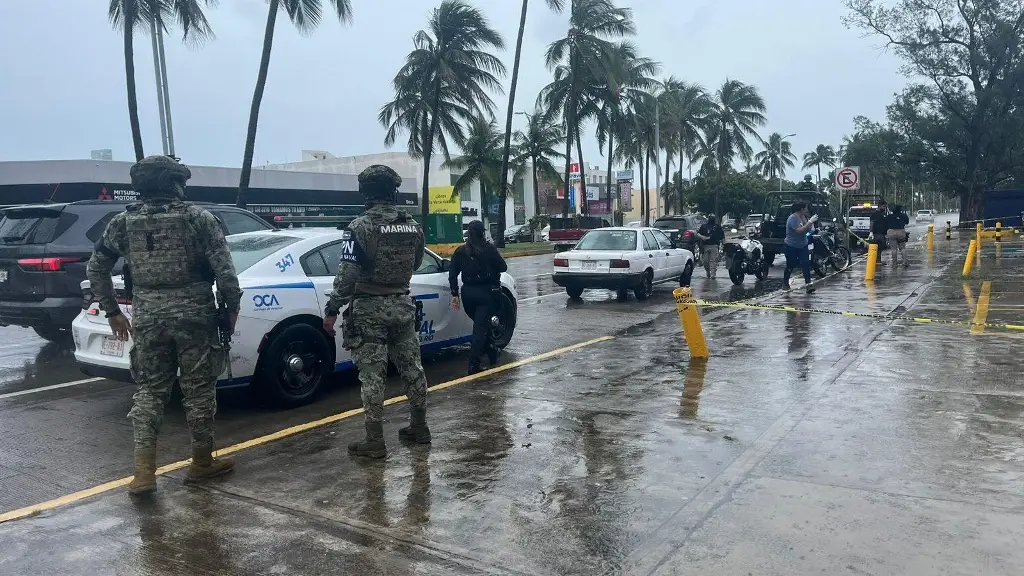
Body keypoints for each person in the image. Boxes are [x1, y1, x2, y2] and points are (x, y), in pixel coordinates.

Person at [86, 155, 242, 496]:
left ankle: (143, 473)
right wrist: (232, 309)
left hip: (148, 317)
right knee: (198, 391)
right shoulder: (199, 219)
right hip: (195, 316)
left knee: (149, 391)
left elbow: (96, 269)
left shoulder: (121, 223)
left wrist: (112, 311)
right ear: (174, 184)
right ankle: (201, 462)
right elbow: (225, 272)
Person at [323, 164, 430, 459]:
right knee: (412, 369)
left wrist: (332, 310)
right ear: (393, 191)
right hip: (402, 304)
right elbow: (417, 262)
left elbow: (347, 275)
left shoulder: (360, 226)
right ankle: (419, 428)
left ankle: (374, 441)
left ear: (365, 193)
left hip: (369, 308)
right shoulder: (412, 226)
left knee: (372, 376)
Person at [448, 220, 508, 374]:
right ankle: (474, 364)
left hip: (467, 294)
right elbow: (503, 267)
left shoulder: (460, 251)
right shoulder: (488, 249)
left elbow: (452, 273)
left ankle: (492, 351)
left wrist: (455, 293)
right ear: (482, 233)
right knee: (480, 330)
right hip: (486, 294)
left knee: (482, 325)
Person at [783, 202, 817, 293]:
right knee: (791, 264)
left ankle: (808, 285)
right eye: (805, 208)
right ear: (801, 209)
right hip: (791, 245)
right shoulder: (792, 218)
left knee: (806, 264)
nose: (806, 210)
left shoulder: (803, 217)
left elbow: (807, 229)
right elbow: (800, 230)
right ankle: (785, 282)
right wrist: (810, 222)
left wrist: (811, 225)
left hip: (803, 245)